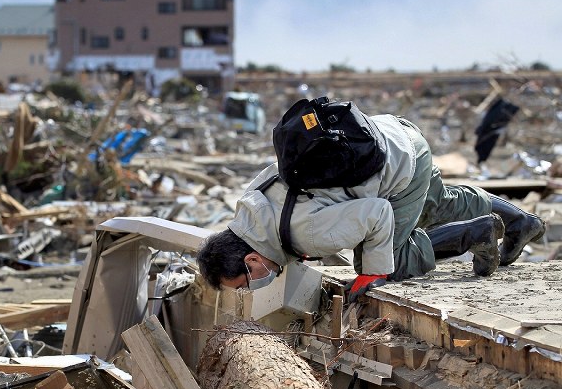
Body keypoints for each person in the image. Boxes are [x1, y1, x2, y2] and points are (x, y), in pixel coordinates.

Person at [196, 100, 546, 302]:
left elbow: (377, 214)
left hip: (398, 167)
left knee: (392, 260)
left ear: (252, 257)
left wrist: (373, 273)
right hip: (391, 136)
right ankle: (520, 221)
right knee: (440, 203)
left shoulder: (306, 233)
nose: (256, 286)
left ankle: (477, 233)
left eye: (248, 281)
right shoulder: (251, 203)